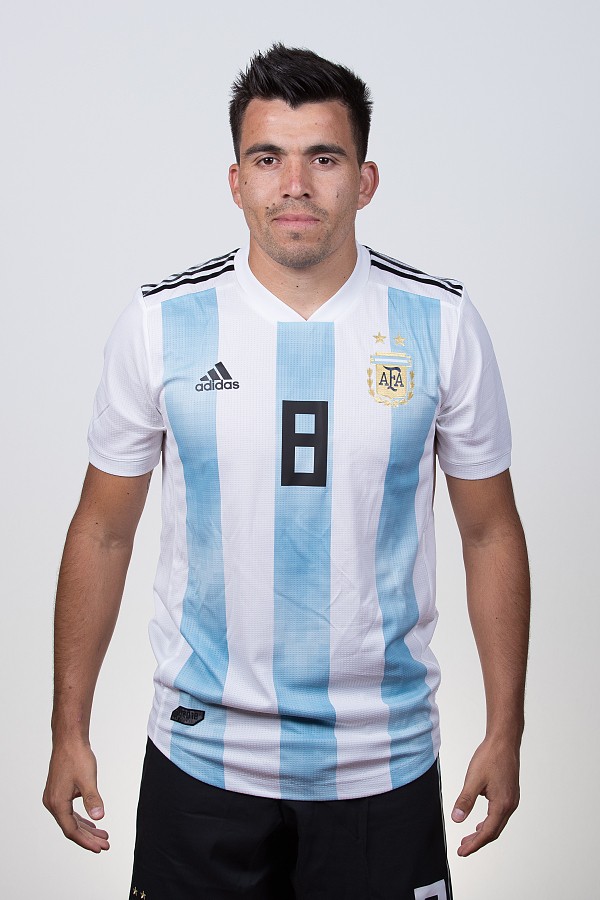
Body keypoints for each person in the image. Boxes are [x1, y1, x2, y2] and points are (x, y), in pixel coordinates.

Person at [43, 44, 530, 900]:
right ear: (236, 181)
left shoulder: (441, 325)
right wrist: (67, 728)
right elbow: (103, 530)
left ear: (366, 181)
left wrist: (506, 729)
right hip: (201, 758)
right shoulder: (161, 324)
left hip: (382, 762)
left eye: (324, 158)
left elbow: (490, 532)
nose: (295, 184)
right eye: (268, 159)